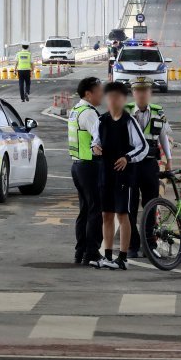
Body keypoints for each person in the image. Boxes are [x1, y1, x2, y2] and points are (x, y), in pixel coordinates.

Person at [92, 81, 149, 270]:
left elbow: (143, 146)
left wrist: (127, 158)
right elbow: (95, 141)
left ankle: (123, 257)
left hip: (124, 176)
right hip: (105, 174)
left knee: (123, 215)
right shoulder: (101, 121)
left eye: (117, 97)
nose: (113, 100)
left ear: (124, 100)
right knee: (106, 214)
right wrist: (95, 148)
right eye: (110, 96)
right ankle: (107, 256)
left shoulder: (129, 121)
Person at [126, 77, 173, 257]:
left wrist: (168, 159)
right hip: (130, 165)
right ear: (133, 93)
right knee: (129, 206)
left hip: (150, 164)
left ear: (150, 93)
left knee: (150, 205)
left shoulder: (158, 111)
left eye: (145, 90)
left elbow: (163, 136)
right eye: (138, 90)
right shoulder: (126, 111)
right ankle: (132, 244)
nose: (142, 94)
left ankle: (149, 244)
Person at [68, 77, 104, 266]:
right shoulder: (89, 114)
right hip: (90, 165)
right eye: (99, 90)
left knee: (85, 210)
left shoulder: (75, 110)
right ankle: (92, 252)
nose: (102, 94)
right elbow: (99, 140)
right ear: (88, 94)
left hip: (78, 166)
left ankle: (80, 251)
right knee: (95, 210)